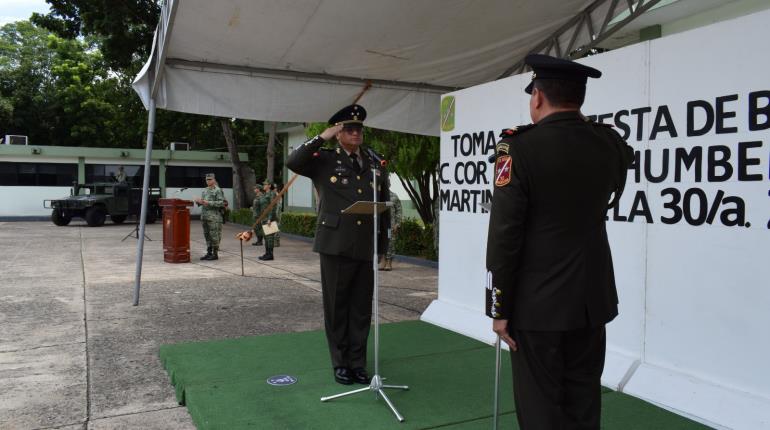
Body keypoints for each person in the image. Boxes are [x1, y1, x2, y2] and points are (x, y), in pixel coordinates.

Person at [485, 54, 633, 430]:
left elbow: (505, 234)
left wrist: (497, 307)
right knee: (583, 401)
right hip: (591, 298)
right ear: (580, 99)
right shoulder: (610, 143)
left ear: (537, 97)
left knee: (541, 409)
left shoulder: (516, 148)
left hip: (538, 306)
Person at [286, 104, 390, 386]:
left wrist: (382, 246)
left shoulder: (373, 161)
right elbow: (294, 162)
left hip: (365, 244)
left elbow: (384, 204)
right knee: (337, 306)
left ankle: (358, 362)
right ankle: (340, 362)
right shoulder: (324, 159)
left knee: (360, 308)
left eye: (359, 129)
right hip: (335, 244)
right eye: (349, 128)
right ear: (339, 131)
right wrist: (324, 136)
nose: (356, 133)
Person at [195, 173, 225, 261]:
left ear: (214, 180)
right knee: (207, 235)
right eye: (207, 180)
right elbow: (203, 202)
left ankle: (215, 254)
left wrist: (209, 203)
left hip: (214, 217)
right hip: (205, 216)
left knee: (214, 235)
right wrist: (199, 202)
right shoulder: (204, 190)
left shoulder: (218, 190)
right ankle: (209, 252)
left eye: (210, 179)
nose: (208, 181)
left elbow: (221, 203)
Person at [379, 190, 402, 271]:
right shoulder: (377, 195)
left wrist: (397, 224)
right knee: (380, 242)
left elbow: (399, 210)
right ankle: (382, 261)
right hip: (379, 224)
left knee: (390, 243)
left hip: (390, 224)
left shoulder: (394, 196)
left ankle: (389, 262)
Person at [257, 180, 278, 261]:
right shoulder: (265, 194)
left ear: (269, 185)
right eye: (264, 184)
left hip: (270, 219)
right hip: (264, 218)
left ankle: (270, 254)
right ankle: (267, 253)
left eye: (265, 184)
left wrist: (270, 218)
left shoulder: (272, 194)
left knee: (270, 238)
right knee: (266, 237)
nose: (264, 186)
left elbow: (273, 207)